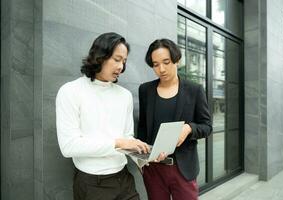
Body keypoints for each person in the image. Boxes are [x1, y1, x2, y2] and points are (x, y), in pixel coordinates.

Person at [56, 32, 150, 200]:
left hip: (124, 179)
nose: (121, 67)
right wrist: (118, 143)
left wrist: (141, 152)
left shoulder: (125, 95)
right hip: (92, 184)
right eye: (117, 59)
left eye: (124, 61)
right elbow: (69, 146)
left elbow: (126, 136)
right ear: (100, 56)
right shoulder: (70, 91)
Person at [137, 39, 212, 200]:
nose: (161, 69)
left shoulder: (194, 90)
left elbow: (207, 126)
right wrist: (142, 161)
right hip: (153, 168)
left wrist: (189, 128)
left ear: (177, 60)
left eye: (166, 62)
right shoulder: (146, 90)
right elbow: (142, 126)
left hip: (183, 168)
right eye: (155, 64)